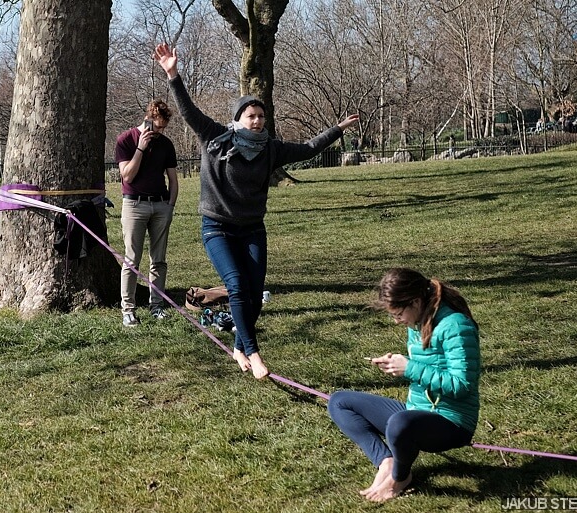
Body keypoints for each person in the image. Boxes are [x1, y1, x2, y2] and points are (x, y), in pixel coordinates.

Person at [153, 43, 359, 379]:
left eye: (261, 116)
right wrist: (173, 74)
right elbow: (189, 112)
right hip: (217, 226)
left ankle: (239, 344)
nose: (258, 120)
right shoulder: (216, 138)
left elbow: (308, 149)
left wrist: (337, 129)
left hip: (251, 228)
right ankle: (253, 352)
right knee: (236, 286)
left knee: (255, 296)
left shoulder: (271, 150)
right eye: (251, 115)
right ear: (238, 119)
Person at [328, 268, 480, 502]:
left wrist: (409, 368)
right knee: (339, 401)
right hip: (417, 411)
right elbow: (424, 371)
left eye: (399, 314)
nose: (397, 321)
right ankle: (386, 462)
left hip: (452, 422)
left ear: (416, 302)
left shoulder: (456, 326)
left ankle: (400, 477)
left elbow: (462, 385)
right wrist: (396, 365)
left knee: (399, 424)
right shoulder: (417, 323)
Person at [115, 100, 179, 327]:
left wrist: (169, 207)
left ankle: (157, 306)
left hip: (160, 205)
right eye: (157, 127)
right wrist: (141, 148)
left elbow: (173, 180)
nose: (159, 132)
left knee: (159, 260)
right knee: (131, 260)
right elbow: (127, 176)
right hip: (134, 205)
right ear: (147, 120)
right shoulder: (126, 140)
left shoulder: (166, 144)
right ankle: (128, 310)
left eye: (163, 128)